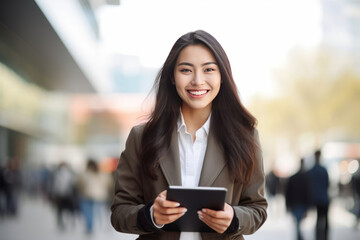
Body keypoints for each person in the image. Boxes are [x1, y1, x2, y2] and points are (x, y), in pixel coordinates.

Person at [111, 30, 267, 240]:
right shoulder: (141, 137)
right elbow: (120, 212)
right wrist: (151, 215)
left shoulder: (245, 136)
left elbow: (258, 209)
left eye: (209, 69)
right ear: (172, 78)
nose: (197, 80)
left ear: (222, 77)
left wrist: (234, 218)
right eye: (186, 70)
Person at [78, 159, 113, 234]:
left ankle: (90, 227)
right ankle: (99, 227)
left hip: (86, 195)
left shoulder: (85, 174)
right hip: (100, 196)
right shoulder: (103, 174)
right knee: (99, 212)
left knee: (88, 212)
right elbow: (109, 184)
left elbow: (79, 184)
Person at [285, 158, 312, 240]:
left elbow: (288, 192)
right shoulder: (306, 178)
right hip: (300, 204)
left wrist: (288, 205)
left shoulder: (294, 177)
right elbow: (308, 192)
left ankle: (299, 237)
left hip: (295, 204)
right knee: (298, 223)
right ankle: (299, 237)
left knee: (298, 223)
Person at [307, 150, 330, 240]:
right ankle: (325, 237)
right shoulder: (324, 170)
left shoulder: (311, 171)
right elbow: (327, 184)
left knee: (318, 220)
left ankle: (317, 237)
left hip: (316, 199)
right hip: (324, 199)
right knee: (325, 220)